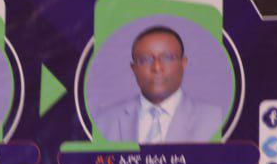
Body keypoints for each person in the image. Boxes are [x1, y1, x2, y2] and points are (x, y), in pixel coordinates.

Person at [93, 26, 224, 144]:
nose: (156, 67)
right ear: (134, 68)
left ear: (183, 63)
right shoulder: (105, 121)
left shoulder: (215, 119)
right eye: (145, 60)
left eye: (167, 58)